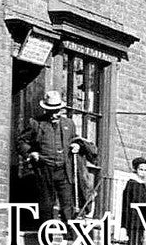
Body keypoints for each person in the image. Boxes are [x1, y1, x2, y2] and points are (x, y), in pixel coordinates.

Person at [16, 91, 98, 232]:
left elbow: (75, 139)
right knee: (46, 204)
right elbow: (21, 141)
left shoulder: (69, 124)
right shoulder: (35, 123)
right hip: (44, 169)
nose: (55, 114)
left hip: (64, 170)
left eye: (58, 110)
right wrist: (30, 152)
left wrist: (77, 146)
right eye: (52, 111)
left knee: (67, 204)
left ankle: (68, 238)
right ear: (46, 110)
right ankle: (46, 237)